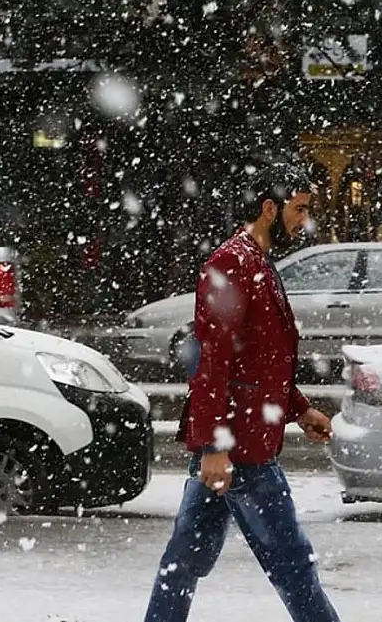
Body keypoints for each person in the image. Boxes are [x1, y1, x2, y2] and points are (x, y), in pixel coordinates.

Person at [144, 164, 341, 622]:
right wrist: (215, 447)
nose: (304, 220)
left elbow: (261, 360)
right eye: (299, 208)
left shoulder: (257, 262)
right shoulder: (231, 262)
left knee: (185, 562)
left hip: (238, 441)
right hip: (241, 446)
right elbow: (212, 361)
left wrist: (300, 408)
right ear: (269, 208)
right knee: (293, 564)